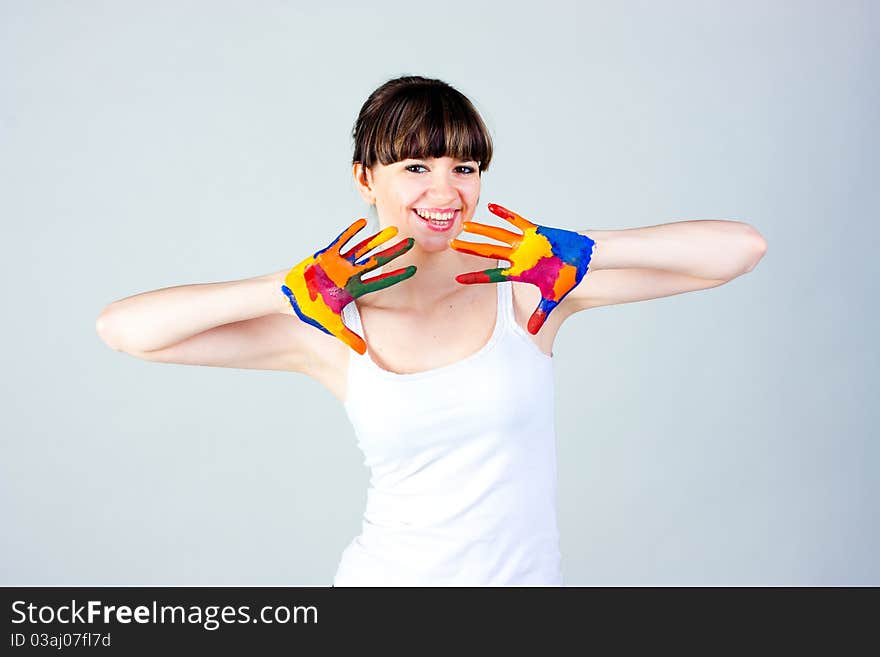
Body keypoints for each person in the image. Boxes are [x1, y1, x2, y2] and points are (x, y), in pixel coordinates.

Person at [95, 75, 767, 586]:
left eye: (463, 168)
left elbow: (740, 250)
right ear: (365, 178)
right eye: (415, 167)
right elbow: (124, 329)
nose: (445, 193)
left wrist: (588, 246)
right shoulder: (327, 323)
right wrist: (279, 287)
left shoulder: (530, 287)